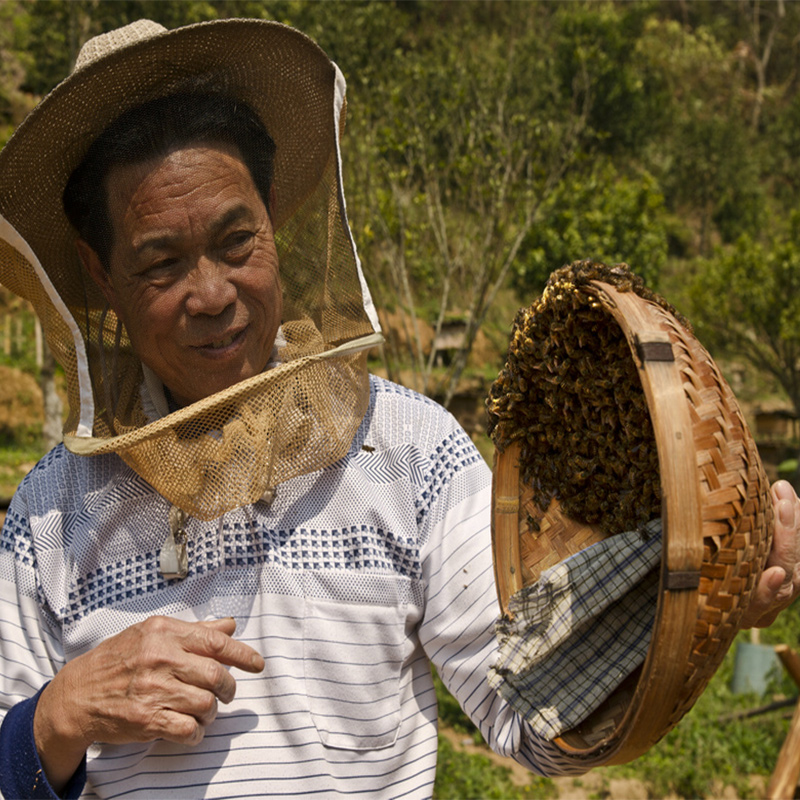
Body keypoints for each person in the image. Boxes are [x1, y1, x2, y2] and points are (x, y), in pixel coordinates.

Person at [0, 18, 797, 800]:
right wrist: (57, 719)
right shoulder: (46, 513)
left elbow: (534, 719)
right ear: (98, 272)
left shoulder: (411, 450)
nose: (212, 294)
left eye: (237, 240)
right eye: (160, 262)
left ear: (274, 213)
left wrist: (689, 605)